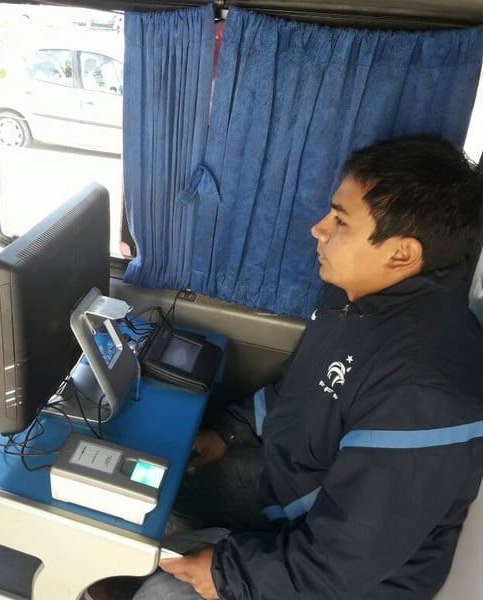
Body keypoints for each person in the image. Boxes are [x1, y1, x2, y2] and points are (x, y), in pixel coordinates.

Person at [133, 135, 483, 599]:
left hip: (347, 581)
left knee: (159, 593)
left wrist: (224, 575)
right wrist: (229, 434)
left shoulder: (424, 389)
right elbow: (293, 392)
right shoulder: (354, 299)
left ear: (401, 253)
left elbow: (343, 561)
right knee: (146, 484)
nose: (318, 229)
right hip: (286, 492)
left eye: (340, 221)